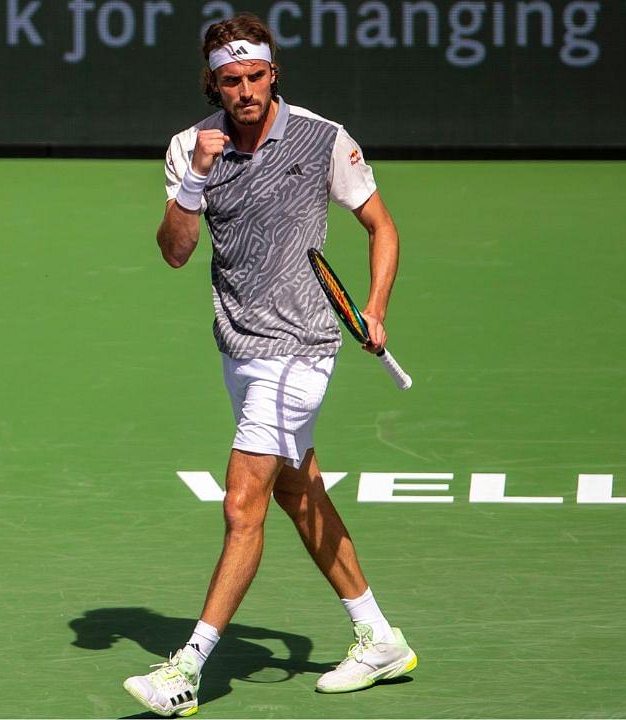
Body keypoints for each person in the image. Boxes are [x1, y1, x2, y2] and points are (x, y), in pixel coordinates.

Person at [123, 13, 415, 717]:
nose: (246, 91)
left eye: (256, 77)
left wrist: (373, 307)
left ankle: (187, 667)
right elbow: (174, 250)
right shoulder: (191, 147)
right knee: (297, 490)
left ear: (272, 72)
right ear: (213, 83)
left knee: (241, 502)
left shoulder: (321, 138)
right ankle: (378, 638)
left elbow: (381, 224)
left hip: (304, 347)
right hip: (240, 346)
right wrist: (195, 175)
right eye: (231, 81)